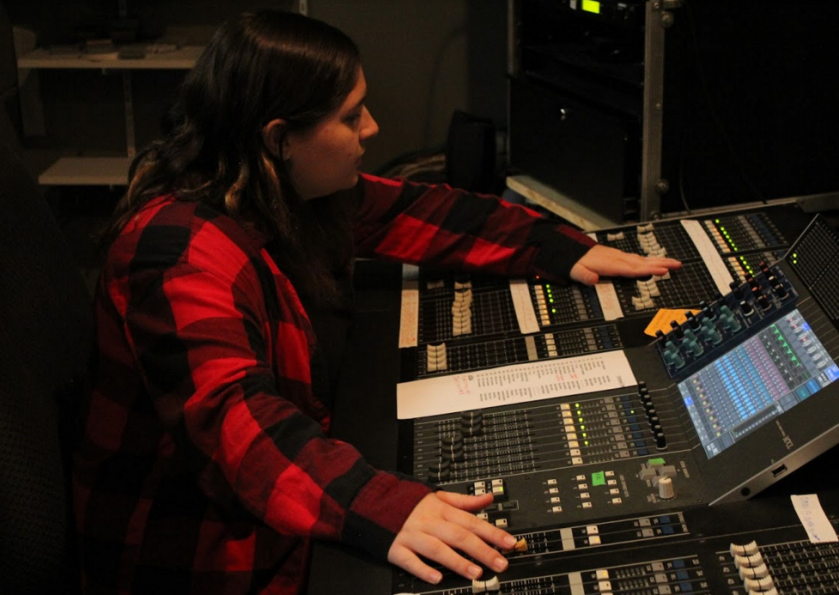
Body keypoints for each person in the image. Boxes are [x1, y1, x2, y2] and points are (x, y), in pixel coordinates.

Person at [72, 10, 681, 595]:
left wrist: (552, 247)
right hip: (209, 561)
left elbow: (414, 213)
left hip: (267, 518)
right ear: (280, 140)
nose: (371, 130)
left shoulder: (268, 188)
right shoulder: (175, 253)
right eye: (351, 116)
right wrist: (385, 505)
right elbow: (239, 427)